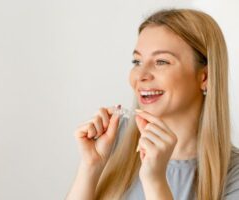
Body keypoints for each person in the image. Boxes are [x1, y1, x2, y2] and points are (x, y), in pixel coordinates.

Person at [66, 8, 239, 200]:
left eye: (161, 62)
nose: (140, 76)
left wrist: (155, 181)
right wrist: (90, 166)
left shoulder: (234, 174)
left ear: (204, 77)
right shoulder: (113, 140)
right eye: (137, 61)